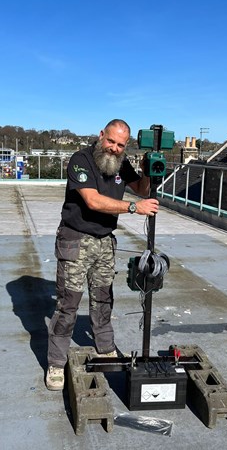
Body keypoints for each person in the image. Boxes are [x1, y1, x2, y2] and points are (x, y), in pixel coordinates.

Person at [46, 119, 159, 390]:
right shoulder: (80, 159)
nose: (114, 148)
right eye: (111, 141)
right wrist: (134, 209)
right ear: (101, 136)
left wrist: (146, 171)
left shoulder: (121, 162)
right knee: (68, 304)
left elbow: (142, 190)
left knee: (103, 299)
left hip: (105, 241)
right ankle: (56, 364)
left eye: (121, 145)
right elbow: (93, 200)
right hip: (75, 238)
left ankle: (105, 348)